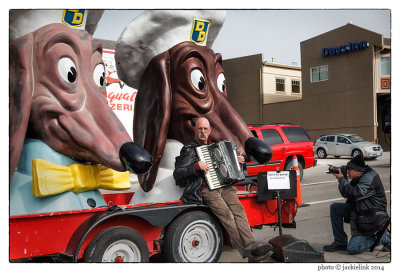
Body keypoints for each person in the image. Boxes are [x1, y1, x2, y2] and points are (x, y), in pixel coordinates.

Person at [173, 117, 271, 261]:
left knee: (239, 211)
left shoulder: (217, 145)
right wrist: (196, 166)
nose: (202, 131)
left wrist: (240, 163)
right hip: (206, 188)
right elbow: (178, 174)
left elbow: (234, 169)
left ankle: (251, 244)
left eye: (205, 129)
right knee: (227, 216)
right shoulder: (188, 149)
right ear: (194, 130)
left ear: (210, 130)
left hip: (225, 186)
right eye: (199, 128)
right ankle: (249, 253)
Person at [323, 155, 390, 254]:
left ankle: (381, 238)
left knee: (353, 249)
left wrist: (342, 179)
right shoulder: (359, 175)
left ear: (358, 171)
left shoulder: (369, 178)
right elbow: (346, 194)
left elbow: (354, 194)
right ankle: (340, 242)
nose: (348, 171)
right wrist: (342, 178)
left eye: (349, 170)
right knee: (335, 208)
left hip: (372, 217)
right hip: (360, 211)